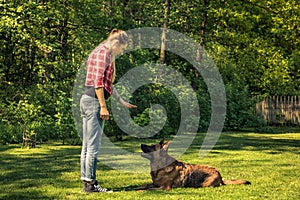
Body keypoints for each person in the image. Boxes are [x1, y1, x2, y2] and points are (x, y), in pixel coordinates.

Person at [80, 29, 137, 193]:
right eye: (123, 48)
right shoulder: (102, 53)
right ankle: (91, 184)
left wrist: (121, 101)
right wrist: (103, 106)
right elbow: (98, 82)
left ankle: (87, 181)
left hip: (89, 100)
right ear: (116, 42)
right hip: (93, 102)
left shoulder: (103, 53)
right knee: (93, 146)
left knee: (87, 146)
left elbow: (107, 84)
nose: (122, 52)